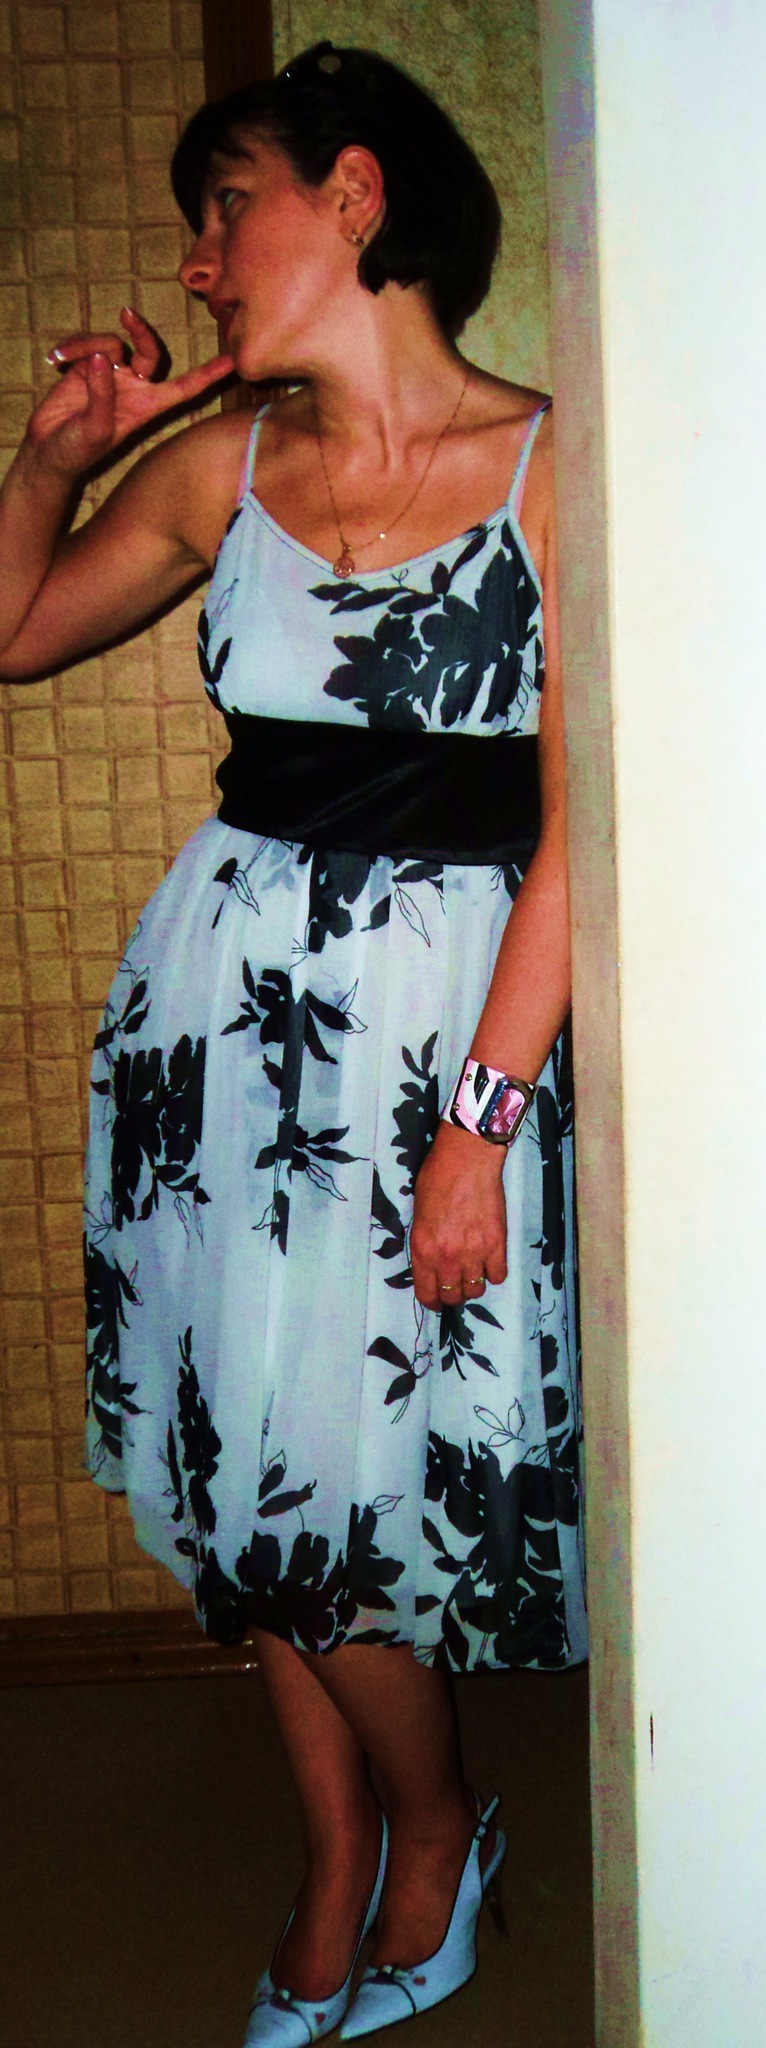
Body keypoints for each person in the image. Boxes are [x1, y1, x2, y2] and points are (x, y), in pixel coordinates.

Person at [0, 40, 585, 2046]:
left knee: (335, 1485)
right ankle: (341, 1852)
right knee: (244, 1441)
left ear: (351, 193)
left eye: (221, 207)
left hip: (432, 1048)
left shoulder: (550, 468)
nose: (192, 258)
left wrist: (477, 1129)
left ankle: (432, 1831)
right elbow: (12, 628)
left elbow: (582, 837)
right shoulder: (221, 465)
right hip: (217, 1032)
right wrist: (55, 456)